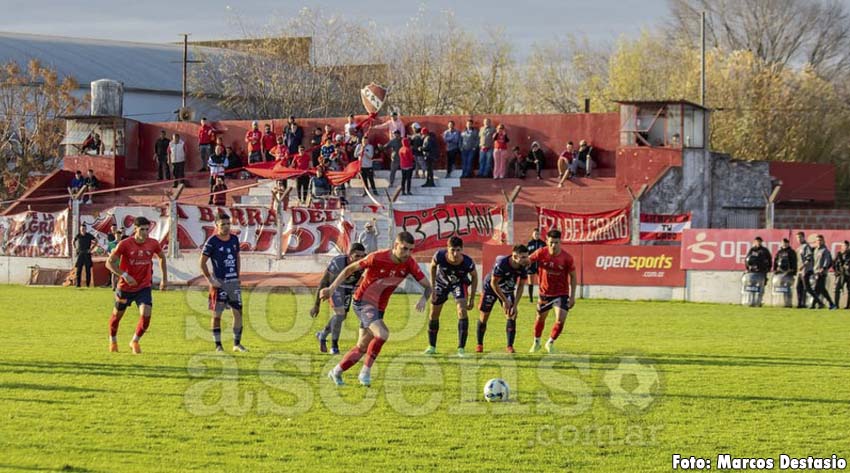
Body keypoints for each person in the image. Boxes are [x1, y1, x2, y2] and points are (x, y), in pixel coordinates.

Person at [323, 232, 431, 386]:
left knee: (362, 346)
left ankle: (336, 371)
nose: (408, 253)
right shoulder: (377, 257)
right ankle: (365, 374)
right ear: (395, 245)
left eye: (410, 250)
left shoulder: (409, 264)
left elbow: (428, 287)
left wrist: (423, 299)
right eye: (404, 249)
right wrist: (332, 289)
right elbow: (349, 270)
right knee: (382, 334)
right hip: (363, 301)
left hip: (379, 307)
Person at [105, 216, 167, 354]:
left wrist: (164, 279)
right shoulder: (125, 244)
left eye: (147, 229)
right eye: (142, 229)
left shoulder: (153, 243)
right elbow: (109, 263)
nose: (145, 232)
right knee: (117, 316)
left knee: (146, 315)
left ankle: (135, 341)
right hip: (125, 288)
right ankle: (113, 340)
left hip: (143, 287)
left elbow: (162, 257)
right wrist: (125, 276)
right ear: (135, 229)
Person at [424, 236, 478, 357]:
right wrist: (432, 288)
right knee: (433, 313)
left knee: (462, 311)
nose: (455, 253)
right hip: (441, 283)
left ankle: (461, 349)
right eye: (452, 250)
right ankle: (431, 346)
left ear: (462, 249)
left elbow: (474, 276)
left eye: (458, 250)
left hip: (459, 284)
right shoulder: (439, 256)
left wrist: (472, 298)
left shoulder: (467, 262)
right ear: (447, 249)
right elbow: (433, 266)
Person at [200, 213, 247, 352]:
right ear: (216, 225)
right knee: (217, 315)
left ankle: (236, 344)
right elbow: (202, 262)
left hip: (233, 283)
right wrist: (210, 280)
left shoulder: (234, 239)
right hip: (219, 283)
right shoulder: (212, 241)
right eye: (223, 225)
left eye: (228, 224)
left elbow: (237, 257)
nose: (226, 227)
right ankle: (218, 345)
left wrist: (238, 275)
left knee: (238, 313)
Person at [311, 243, 368, 355]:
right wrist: (316, 304)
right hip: (335, 289)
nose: (360, 259)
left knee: (341, 317)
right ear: (349, 255)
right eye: (357, 256)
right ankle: (334, 345)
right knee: (340, 314)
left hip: (347, 290)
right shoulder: (339, 262)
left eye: (362, 256)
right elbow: (324, 281)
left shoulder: (364, 263)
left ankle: (322, 335)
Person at [528, 230, 577, 353]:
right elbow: (528, 260)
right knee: (540, 319)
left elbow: (573, 277)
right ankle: (536, 342)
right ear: (547, 241)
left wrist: (572, 296)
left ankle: (550, 342)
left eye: (556, 242)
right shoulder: (541, 252)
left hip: (561, 293)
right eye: (551, 242)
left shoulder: (567, 258)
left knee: (560, 319)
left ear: (560, 242)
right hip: (545, 293)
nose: (553, 245)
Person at [476, 244, 530, 353]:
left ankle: (509, 346)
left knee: (512, 314)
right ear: (514, 256)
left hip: (507, 289)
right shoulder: (502, 264)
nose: (526, 259)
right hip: (491, 288)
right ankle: (479, 344)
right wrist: (505, 300)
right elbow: (493, 283)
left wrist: (515, 305)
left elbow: (520, 286)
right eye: (523, 257)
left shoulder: (524, 265)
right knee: (484, 316)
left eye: (526, 256)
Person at [744, 236, 772, 307]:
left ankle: (759, 301)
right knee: (751, 287)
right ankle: (750, 301)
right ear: (754, 242)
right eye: (757, 241)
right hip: (752, 273)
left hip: (761, 272)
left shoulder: (764, 250)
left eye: (759, 241)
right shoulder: (752, 250)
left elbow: (769, 260)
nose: (758, 243)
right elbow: (747, 260)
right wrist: (748, 268)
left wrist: (768, 269)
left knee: (760, 288)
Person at [811, 234, 837, 310]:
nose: (819, 242)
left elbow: (827, 261)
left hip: (821, 273)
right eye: (817, 240)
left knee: (819, 288)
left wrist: (823, 268)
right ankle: (827, 304)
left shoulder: (825, 250)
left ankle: (817, 304)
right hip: (815, 272)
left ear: (823, 241)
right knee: (820, 289)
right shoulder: (815, 250)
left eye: (820, 240)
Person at [795, 231, 816, 309]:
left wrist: (803, 266)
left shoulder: (806, 246)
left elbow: (809, 258)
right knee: (798, 287)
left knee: (806, 288)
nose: (799, 239)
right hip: (800, 272)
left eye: (800, 237)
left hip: (806, 271)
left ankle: (807, 303)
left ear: (804, 237)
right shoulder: (799, 248)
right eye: (797, 238)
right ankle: (799, 303)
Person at [73, 223, 97, 288]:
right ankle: (78, 285)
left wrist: (91, 248)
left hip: (87, 253)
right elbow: (73, 241)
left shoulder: (89, 235)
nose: (83, 230)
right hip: (80, 253)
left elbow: (96, 241)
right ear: (80, 229)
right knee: (79, 270)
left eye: (84, 229)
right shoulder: (78, 235)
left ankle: (88, 285)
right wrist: (75, 249)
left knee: (88, 270)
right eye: (82, 229)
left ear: (86, 229)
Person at [526, 229, 546, 302]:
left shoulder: (543, 244)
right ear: (532, 235)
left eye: (538, 234)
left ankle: (541, 296)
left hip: (540, 265)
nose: (536, 235)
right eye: (535, 234)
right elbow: (527, 255)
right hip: (531, 265)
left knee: (541, 282)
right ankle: (531, 298)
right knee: (530, 281)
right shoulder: (529, 244)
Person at [106, 224, 126, 290]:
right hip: (114, 261)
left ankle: (121, 286)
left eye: (119, 236)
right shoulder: (111, 243)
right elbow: (108, 251)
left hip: (121, 260)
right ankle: (113, 287)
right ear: (115, 236)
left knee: (121, 273)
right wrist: (110, 256)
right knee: (114, 273)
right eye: (117, 235)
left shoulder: (123, 243)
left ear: (121, 236)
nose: (118, 237)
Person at [833, 240, 850, 309]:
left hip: (848, 274)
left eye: (846, 246)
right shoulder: (839, 254)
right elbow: (833, 263)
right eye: (843, 246)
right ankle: (836, 305)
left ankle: (847, 306)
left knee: (849, 290)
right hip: (840, 274)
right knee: (837, 289)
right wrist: (836, 271)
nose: (844, 247)